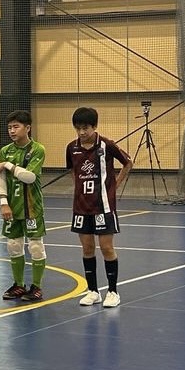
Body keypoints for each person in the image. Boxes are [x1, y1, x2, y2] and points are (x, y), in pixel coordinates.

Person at [67, 107, 134, 308]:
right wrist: (78, 189)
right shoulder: (71, 148)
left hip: (103, 206)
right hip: (81, 207)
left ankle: (113, 292)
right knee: (87, 248)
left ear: (94, 126)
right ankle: (93, 291)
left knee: (106, 247)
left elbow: (128, 163)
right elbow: (73, 171)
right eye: (78, 128)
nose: (81, 132)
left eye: (85, 128)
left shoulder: (107, 145)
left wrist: (115, 186)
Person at [0, 110, 47, 301]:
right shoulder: (5, 150)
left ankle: (37, 287)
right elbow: (0, 179)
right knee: (13, 245)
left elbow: (29, 177)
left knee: (35, 246)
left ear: (28, 128)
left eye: (16, 127)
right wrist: (3, 203)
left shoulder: (37, 149)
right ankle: (18, 285)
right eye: (9, 127)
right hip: (12, 206)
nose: (12, 131)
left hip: (32, 207)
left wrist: (8, 165)